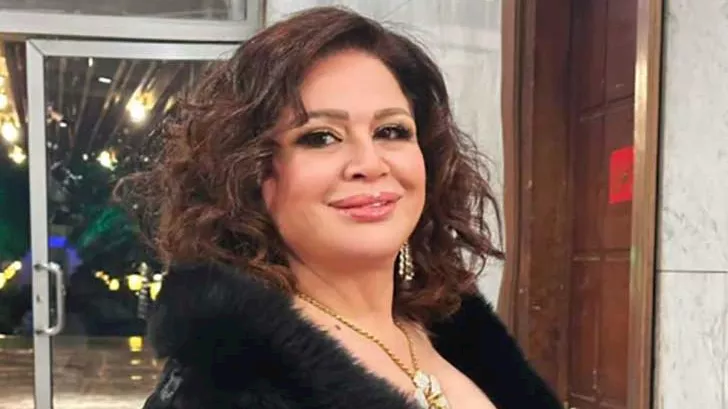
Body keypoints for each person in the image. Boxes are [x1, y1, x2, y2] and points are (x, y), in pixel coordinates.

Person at [126, 6, 561, 409]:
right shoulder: (222, 387)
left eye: (391, 131)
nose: (370, 164)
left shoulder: (453, 328)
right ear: (250, 175)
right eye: (320, 137)